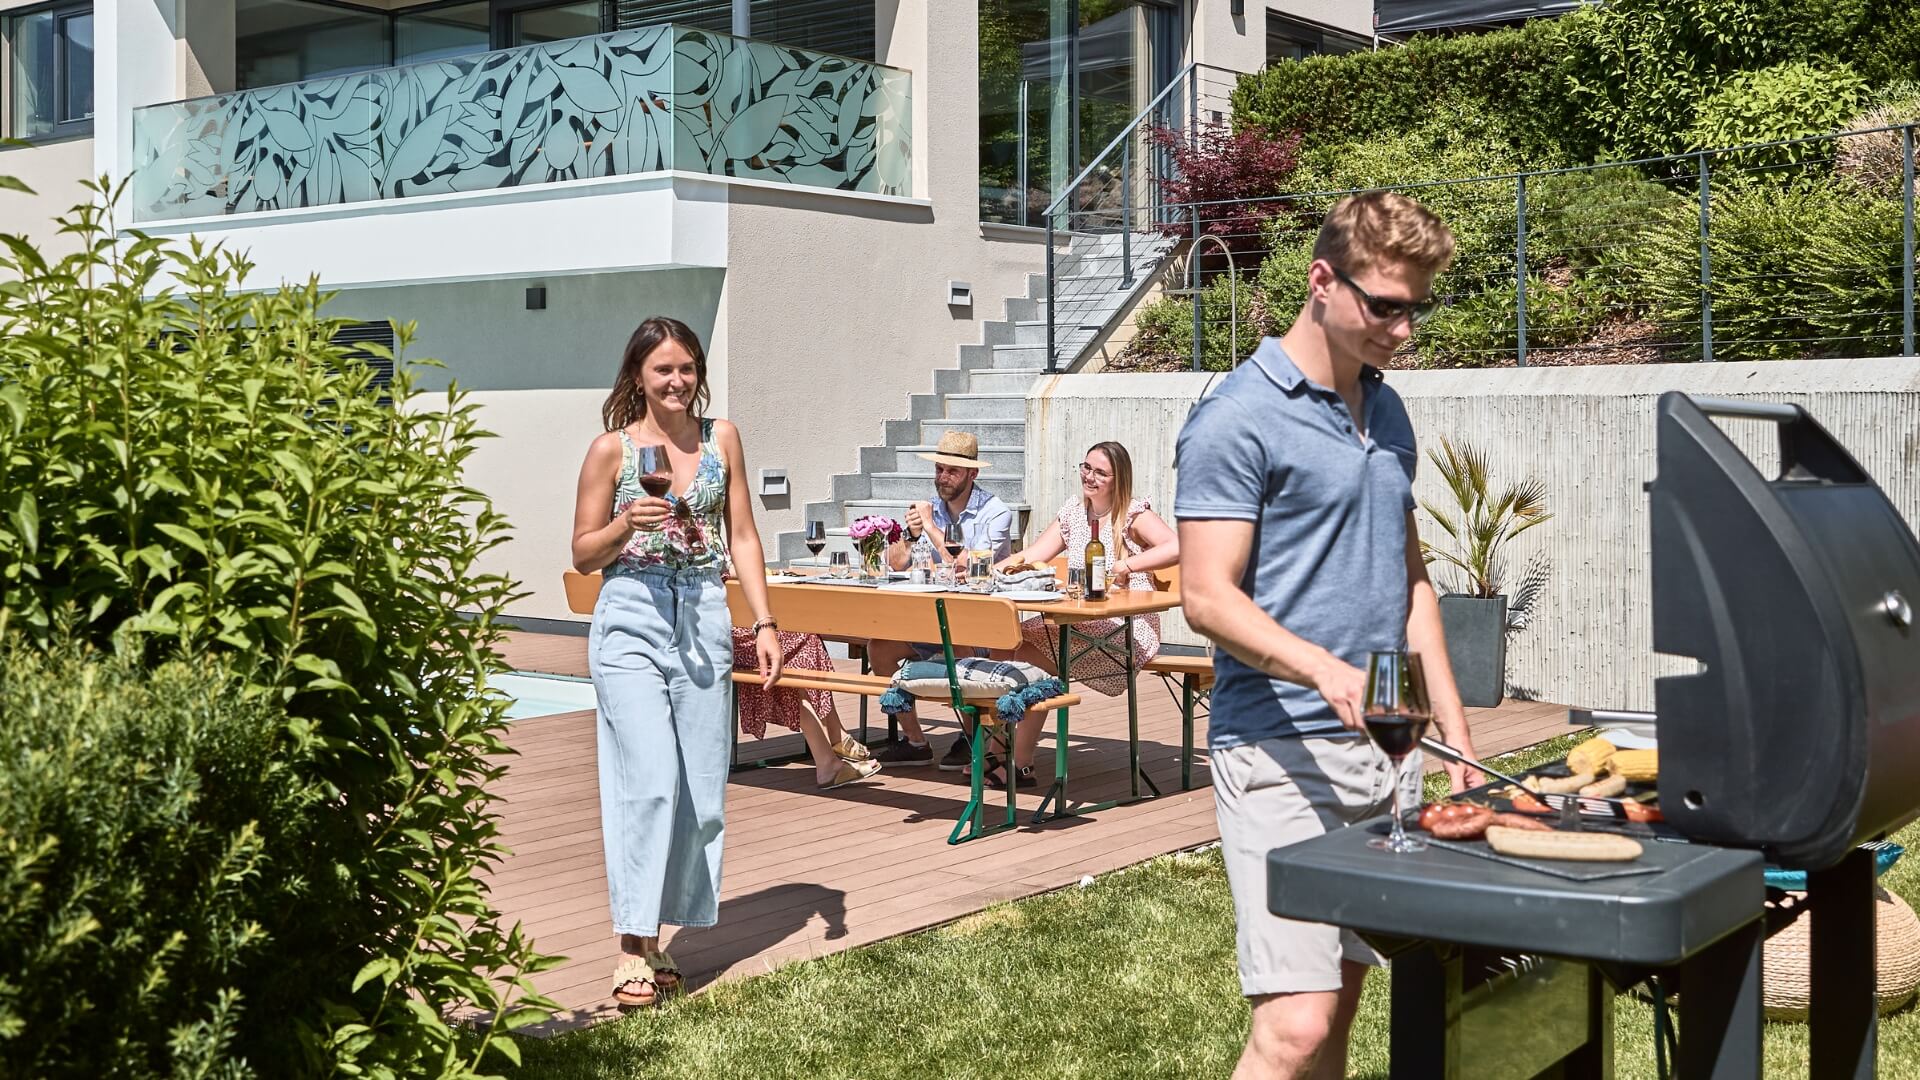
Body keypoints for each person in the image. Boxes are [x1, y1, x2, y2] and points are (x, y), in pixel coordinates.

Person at [1173, 191, 1486, 1080]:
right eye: (1387, 306)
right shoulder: (1236, 416)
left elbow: (1410, 578)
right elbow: (1205, 596)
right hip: (1278, 750)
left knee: (1343, 1008)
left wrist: (1457, 731)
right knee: (1297, 1028)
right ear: (1321, 280)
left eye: (1417, 308)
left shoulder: (1388, 413)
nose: (1406, 330)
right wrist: (1327, 673)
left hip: (1386, 748)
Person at [571, 316, 783, 1010]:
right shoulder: (613, 451)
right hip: (630, 614)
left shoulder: (722, 438)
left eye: (686, 367)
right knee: (652, 780)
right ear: (638, 375)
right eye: (662, 369)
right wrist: (623, 525)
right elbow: (581, 552)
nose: (676, 381)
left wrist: (765, 621)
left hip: (702, 613)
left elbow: (743, 535)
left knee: (697, 792)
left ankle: (658, 936)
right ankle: (631, 946)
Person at [988, 440, 1179, 788]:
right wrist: (988, 572)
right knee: (1007, 642)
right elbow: (1033, 554)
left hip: (1128, 627)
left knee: (1032, 653)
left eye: (1100, 472)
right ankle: (999, 751)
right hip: (1079, 618)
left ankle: (1014, 759)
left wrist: (1126, 564)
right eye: (1086, 467)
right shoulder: (1075, 513)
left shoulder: (1132, 515)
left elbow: (1178, 546)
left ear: (1118, 479)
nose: (1089, 477)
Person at [867, 430, 1018, 770]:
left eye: (951, 471)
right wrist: (910, 535)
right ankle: (916, 741)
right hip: (932, 616)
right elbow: (895, 563)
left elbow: (969, 566)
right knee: (880, 646)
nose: (942, 478)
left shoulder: (996, 513)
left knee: (959, 647)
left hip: (983, 624)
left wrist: (932, 527)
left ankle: (970, 739)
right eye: (938, 470)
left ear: (972, 474)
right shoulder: (929, 509)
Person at [730, 624, 882, 790]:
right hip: (731, 640)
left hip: (728, 632)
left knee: (799, 642)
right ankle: (831, 754)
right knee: (799, 643)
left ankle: (832, 744)